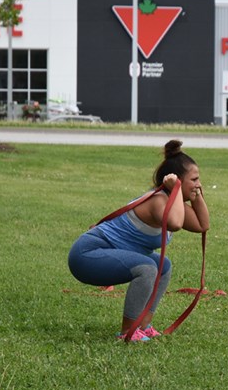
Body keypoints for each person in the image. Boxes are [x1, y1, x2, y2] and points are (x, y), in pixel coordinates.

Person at [68, 140, 211, 342]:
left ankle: (143, 326)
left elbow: (202, 225)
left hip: (100, 254)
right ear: (176, 181)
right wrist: (178, 189)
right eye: (194, 179)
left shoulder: (172, 201)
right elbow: (176, 223)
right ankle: (128, 331)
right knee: (147, 268)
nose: (199, 184)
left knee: (164, 266)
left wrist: (196, 197)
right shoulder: (158, 201)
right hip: (86, 255)